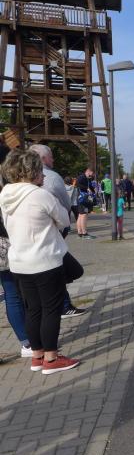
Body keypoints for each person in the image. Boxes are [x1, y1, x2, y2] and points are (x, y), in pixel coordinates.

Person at [0, 150, 78, 374]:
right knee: (51, 309)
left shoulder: (5, 194)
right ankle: (51, 359)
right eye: (40, 171)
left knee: (33, 309)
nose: (44, 176)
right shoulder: (39, 195)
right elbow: (64, 219)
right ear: (32, 172)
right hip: (44, 260)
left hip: (19, 261)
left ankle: (37, 355)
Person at [29, 144, 86, 318]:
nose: (53, 159)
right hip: (50, 229)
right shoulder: (52, 177)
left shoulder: (10, 189)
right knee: (58, 265)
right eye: (51, 156)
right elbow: (65, 205)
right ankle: (62, 305)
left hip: (24, 242)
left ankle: (57, 304)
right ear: (43, 159)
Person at [0, 143, 32, 358]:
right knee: (14, 292)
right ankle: (27, 342)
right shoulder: (7, 188)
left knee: (12, 292)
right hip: (5, 242)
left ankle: (26, 342)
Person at [75, 167, 95, 239]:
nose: (92, 175)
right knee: (84, 215)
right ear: (88, 171)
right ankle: (84, 233)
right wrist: (86, 188)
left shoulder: (87, 178)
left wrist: (93, 191)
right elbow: (77, 184)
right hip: (83, 199)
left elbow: (90, 186)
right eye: (92, 173)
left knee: (80, 215)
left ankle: (80, 232)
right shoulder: (82, 177)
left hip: (83, 198)